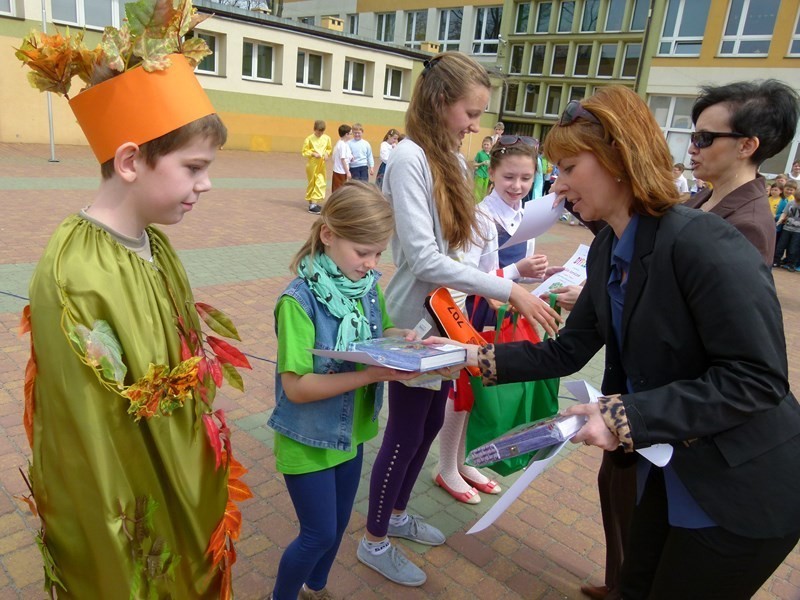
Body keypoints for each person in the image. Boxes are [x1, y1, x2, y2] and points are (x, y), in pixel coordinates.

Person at [442, 86, 800, 600]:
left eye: (567, 167)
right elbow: (567, 350)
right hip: (669, 464)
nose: (557, 186)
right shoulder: (610, 243)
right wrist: (465, 355)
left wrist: (624, 416)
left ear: (618, 156)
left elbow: (757, 379)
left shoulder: (705, 241)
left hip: (742, 486)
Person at [18, 23, 250, 597]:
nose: (207, 184)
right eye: (194, 168)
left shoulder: (154, 239)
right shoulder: (75, 272)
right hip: (133, 492)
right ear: (129, 161)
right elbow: (90, 433)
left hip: (182, 476)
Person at [356, 52, 561, 588]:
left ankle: (397, 514)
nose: (476, 126)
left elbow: (457, 246)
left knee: (426, 424)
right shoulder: (409, 160)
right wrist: (508, 286)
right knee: (404, 430)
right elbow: (423, 259)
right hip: (417, 321)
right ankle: (374, 537)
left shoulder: (442, 155)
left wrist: (500, 267)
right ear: (440, 102)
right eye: (471, 113)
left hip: (450, 313)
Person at [268, 182, 424, 600]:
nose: (372, 264)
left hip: (348, 434)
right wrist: (372, 375)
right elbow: (297, 389)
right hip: (306, 438)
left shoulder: (366, 287)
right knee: (317, 534)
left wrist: (405, 340)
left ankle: (314, 589)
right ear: (328, 235)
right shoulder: (298, 302)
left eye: (378, 253)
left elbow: (381, 331)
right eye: (363, 252)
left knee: (336, 527)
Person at [435, 135, 557, 505]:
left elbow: (517, 276)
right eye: (509, 178)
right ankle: (446, 467)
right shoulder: (480, 218)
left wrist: (549, 275)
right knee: (462, 393)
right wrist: (517, 271)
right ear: (491, 173)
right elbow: (465, 277)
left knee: (484, 394)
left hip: (502, 316)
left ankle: (462, 460)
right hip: (472, 316)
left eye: (525, 178)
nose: (517, 186)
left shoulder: (528, 216)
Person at [685, 79, 800, 265]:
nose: (692, 148)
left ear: (746, 146)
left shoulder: (748, 227)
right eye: (694, 136)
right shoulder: (704, 197)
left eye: (703, 138)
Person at [302, 119, 332, 214]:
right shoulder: (309, 139)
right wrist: (312, 153)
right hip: (312, 164)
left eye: (322, 131)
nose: (320, 133)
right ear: (314, 129)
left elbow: (328, 148)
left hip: (321, 164)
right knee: (312, 182)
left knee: (320, 181)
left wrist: (327, 153)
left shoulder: (327, 138)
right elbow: (304, 151)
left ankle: (314, 203)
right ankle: (312, 204)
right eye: (318, 131)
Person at [774, 195, 800, 272]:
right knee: (781, 245)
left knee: (793, 248)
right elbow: (784, 213)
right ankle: (776, 261)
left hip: (798, 231)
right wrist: (779, 221)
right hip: (787, 228)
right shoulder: (791, 203)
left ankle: (791, 264)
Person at [331, 124, 353, 193]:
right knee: (339, 189)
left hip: (339, 170)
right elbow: (342, 159)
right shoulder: (342, 145)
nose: (351, 136)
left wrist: (351, 157)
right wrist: (347, 172)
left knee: (340, 188)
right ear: (346, 134)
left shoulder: (342, 143)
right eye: (350, 134)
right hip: (340, 171)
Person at [473, 136, 492, 201]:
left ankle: (481, 205)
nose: (486, 146)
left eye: (487, 145)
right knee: (477, 192)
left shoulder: (491, 155)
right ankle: (476, 205)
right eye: (484, 144)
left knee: (484, 192)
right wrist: (482, 163)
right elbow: (474, 164)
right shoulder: (479, 153)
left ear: (491, 145)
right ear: (482, 145)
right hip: (480, 174)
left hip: (487, 175)